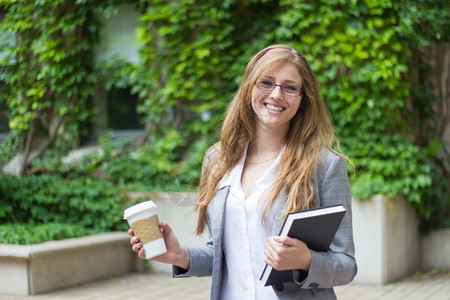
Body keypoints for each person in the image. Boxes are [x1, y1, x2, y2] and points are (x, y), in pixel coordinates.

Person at [129, 44, 357, 299]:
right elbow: (226, 255)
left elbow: (346, 265)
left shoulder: (324, 165)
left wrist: (306, 260)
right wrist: (180, 255)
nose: (276, 94)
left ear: (303, 99)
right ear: (249, 87)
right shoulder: (218, 160)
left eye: (290, 87)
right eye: (266, 82)